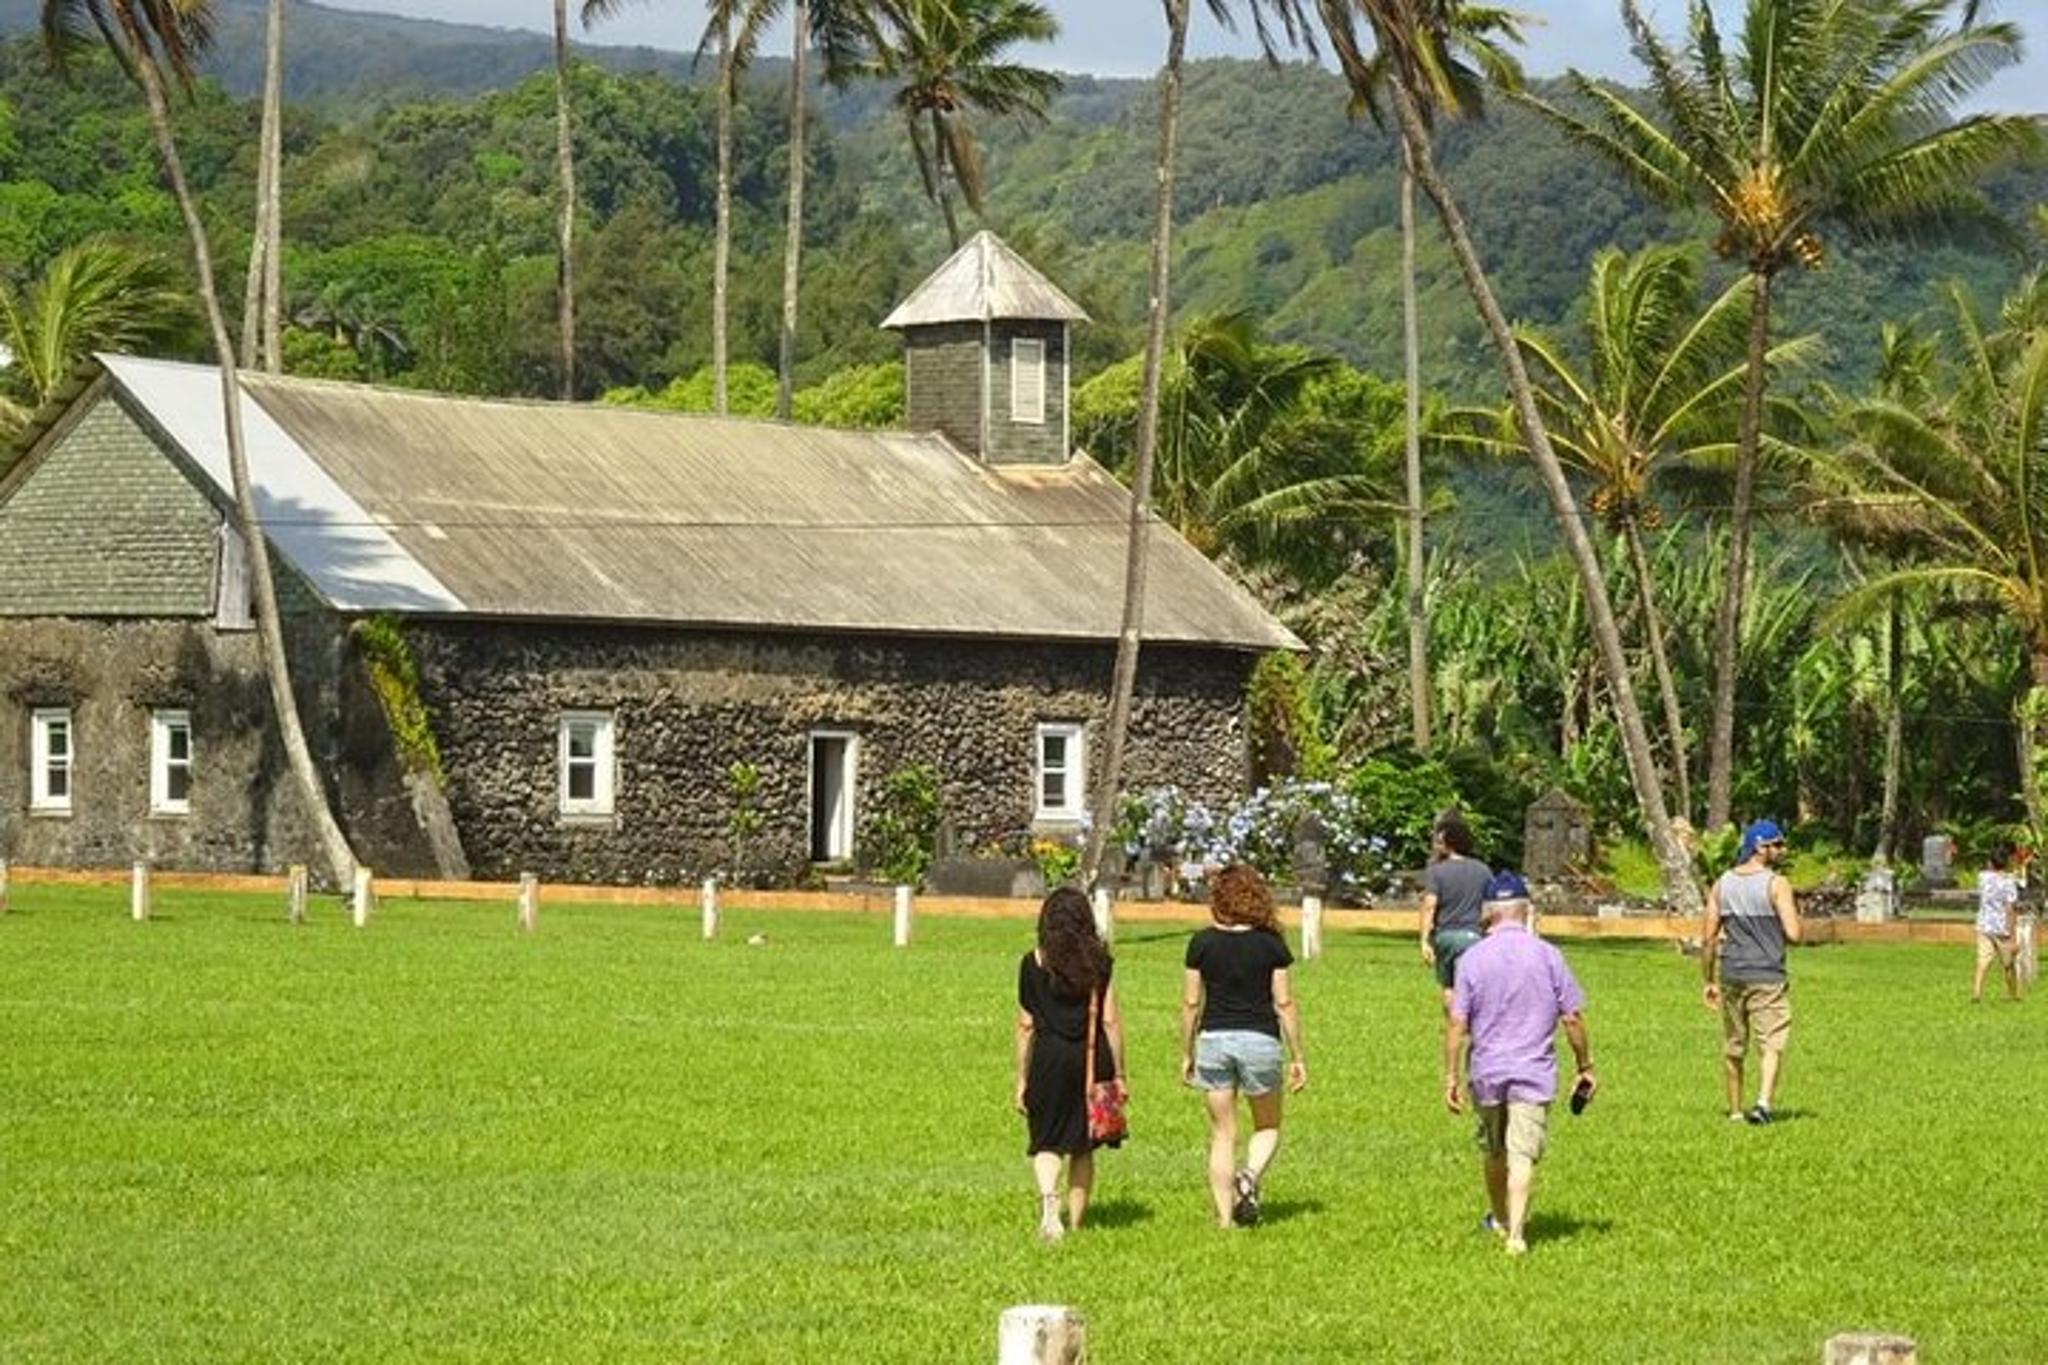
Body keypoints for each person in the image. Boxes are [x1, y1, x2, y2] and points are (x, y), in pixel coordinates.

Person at [1443, 871, 1593, 1257]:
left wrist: (1450, 1075)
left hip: (1488, 1069)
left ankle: (1499, 1218)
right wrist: (1585, 1065)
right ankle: (1516, 1236)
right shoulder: (1548, 955)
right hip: (1532, 1069)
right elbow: (1572, 1017)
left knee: (1495, 1150)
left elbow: (1457, 1022)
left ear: (1488, 913)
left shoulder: (1472, 959)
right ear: (1526, 911)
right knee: (1522, 1153)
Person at [1181, 864, 1306, 1229]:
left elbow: (1191, 1003)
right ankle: (1248, 1177)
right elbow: (1283, 1002)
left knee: (1222, 1133)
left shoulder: (1201, 943)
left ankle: (1224, 1220)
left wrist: (1187, 1052)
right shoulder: (1270, 943)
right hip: (1260, 1040)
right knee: (1268, 1126)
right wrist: (1298, 1055)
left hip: (1213, 1040)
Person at [1014, 886, 1124, 1241]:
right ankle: (1076, 1222)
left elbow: (1026, 1024)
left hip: (1048, 1057)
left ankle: (1050, 1198)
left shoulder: (1032, 963)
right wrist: (1119, 1073)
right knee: (1083, 1145)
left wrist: (1022, 1078)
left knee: (1046, 1140)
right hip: (1091, 1058)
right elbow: (1110, 1020)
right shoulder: (1100, 962)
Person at [1701, 818, 1802, 1125]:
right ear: (1760, 847)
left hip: (1731, 972)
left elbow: (1708, 938)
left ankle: (1734, 1111)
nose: (1782, 850)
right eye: (1777, 845)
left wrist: (1708, 980)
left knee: (1734, 1044)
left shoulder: (1722, 884)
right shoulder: (1777, 884)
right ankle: (1762, 1104)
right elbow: (1794, 934)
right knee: (1771, 1041)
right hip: (1767, 974)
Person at [1419, 814, 1492, 1010]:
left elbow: (1429, 905)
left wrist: (1424, 940)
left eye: (1439, 842)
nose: (1436, 846)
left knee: (1449, 987)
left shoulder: (1436, 871)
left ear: (1450, 844)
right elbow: (1490, 906)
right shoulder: (1483, 870)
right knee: (1474, 987)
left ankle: (1453, 1024)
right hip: (1474, 937)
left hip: (1446, 937)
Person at [1973, 844, 2024, 1003]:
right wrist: (2013, 937)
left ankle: (1976, 993)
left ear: (1990, 862)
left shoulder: (1982, 877)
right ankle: (2013, 994)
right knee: (2008, 964)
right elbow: (2010, 909)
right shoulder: (2009, 882)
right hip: (2002, 928)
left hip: (1984, 925)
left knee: (1982, 961)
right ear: (2007, 862)